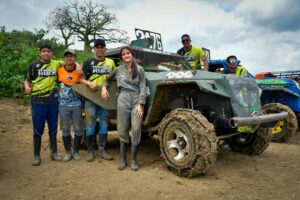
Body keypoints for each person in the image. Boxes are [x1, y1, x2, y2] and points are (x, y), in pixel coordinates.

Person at [101, 46, 146, 171]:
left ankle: (133, 160)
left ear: (132, 55)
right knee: (122, 128)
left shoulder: (140, 69)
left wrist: (140, 104)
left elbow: (143, 87)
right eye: (124, 54)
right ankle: (122, 160)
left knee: (136, 128)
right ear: (121, 57)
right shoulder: (117, 70)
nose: (126, 55)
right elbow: (106, 80)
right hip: (123, 98)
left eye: (128, 53)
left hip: (136, 98)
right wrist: (104, 88)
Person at [24, 44, 64, 166]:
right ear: (40, 53)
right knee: (38, 129)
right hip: (37, 102)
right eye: (44, 51)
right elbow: (27, 79)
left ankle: (54, 153)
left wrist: (78, 67)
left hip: (53, 102)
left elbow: (71, 63)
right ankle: (36, 155)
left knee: (53, 128)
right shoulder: (33, 65)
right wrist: (26, 86)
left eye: (48, 51)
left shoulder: (56, 63)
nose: (46, 53)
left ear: (52, 53)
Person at [82, 39, 116, 162]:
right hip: (90, 98)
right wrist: (89, 83)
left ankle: (102, 150)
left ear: (105, 49)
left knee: (104, 125)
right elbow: (80, 79)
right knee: (90, 126)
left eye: (102, 47)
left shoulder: (111, 62)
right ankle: (90, 151)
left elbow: (114, 78)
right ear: (94, 49)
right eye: (97, 47)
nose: (100, 49)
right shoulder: (87, 63)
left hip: (105, 99)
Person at [57, 49, 89, 161]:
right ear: (64, 58)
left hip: (77, 105)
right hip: (63, 105)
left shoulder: (79, 71)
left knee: (78, 129)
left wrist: (78, 67)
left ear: (75, 58)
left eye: (71, 56)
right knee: (65, 129)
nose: (69, 58)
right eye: (67, 56)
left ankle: (76, 152)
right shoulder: (59, 70)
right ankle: (68, 153)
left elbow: (84, 83)